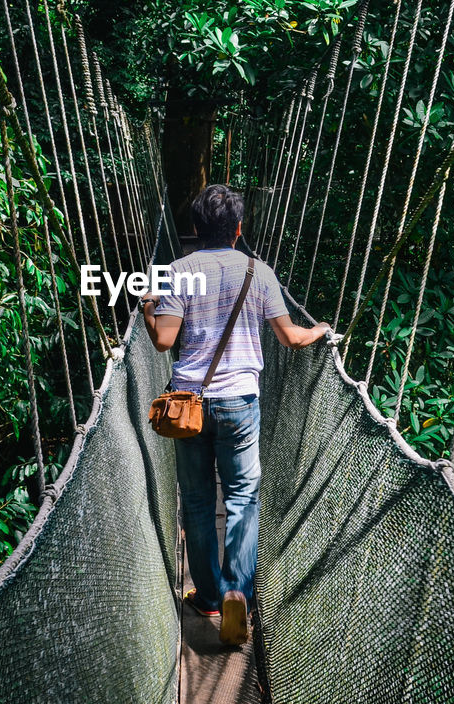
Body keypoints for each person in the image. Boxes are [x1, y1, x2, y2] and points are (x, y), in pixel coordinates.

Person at [140, 184, 328, 646]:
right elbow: (290, 338)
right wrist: (319, 329)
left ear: (196, 229)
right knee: (242, 496)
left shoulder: (180, 271)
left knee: (200, 501)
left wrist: (148, 310)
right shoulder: (258, 272)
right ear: (239, 229)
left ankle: (207, 596)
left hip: (188, 405)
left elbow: (164, 341)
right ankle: (237, 594)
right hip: (241, 401)